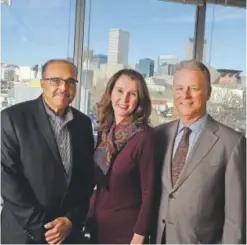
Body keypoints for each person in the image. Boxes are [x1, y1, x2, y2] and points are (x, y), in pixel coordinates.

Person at [1, 59, 95, 244]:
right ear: (42, 83)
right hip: (25, 234)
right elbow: (7, 178)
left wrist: (70, 220)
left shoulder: (83, 123)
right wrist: (44, 229)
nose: (63, 87)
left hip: (67, 234)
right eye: (55, 81)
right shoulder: (13, 118)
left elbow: (85, 179)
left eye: (70, 81)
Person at [152, 60, 246, 244]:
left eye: (193, 88)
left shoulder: (232, 143)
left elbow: (236, 219)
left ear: (208, 92)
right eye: (179, 88)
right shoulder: (158, 135)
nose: (185, 95)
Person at [87, 69, 155, 244]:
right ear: (110, 93)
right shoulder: (105, 132)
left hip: (126, 233)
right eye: (120, 91)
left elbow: (150, 194)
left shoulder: (144, 138)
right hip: (97, 227)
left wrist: (139, 237)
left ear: (139, 100)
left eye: (132, 94)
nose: (124, 99)